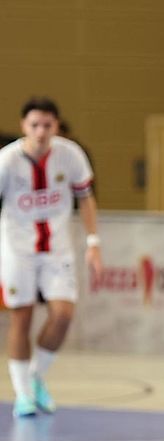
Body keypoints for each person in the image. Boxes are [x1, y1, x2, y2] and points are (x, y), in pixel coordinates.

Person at [0, 97, 103, 417]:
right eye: (34, 125)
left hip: (57, 249)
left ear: (56, 126)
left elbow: (86, 199)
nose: (41, 132)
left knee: (63, 314)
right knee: (22, 317)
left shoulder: (70, 155)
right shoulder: (7, 160)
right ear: (24, 126)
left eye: (47, 125)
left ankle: (36, 377)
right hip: (18, 249)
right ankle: (23, 395)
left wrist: (93, 242)